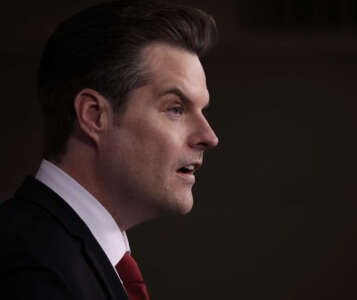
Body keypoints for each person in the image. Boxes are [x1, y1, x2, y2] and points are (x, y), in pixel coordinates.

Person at [0, 0, 219, 299]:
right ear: (94, 115)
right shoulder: (28, 267)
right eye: (176, 108)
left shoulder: (64, 251)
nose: (209, 136)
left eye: (202, 110)